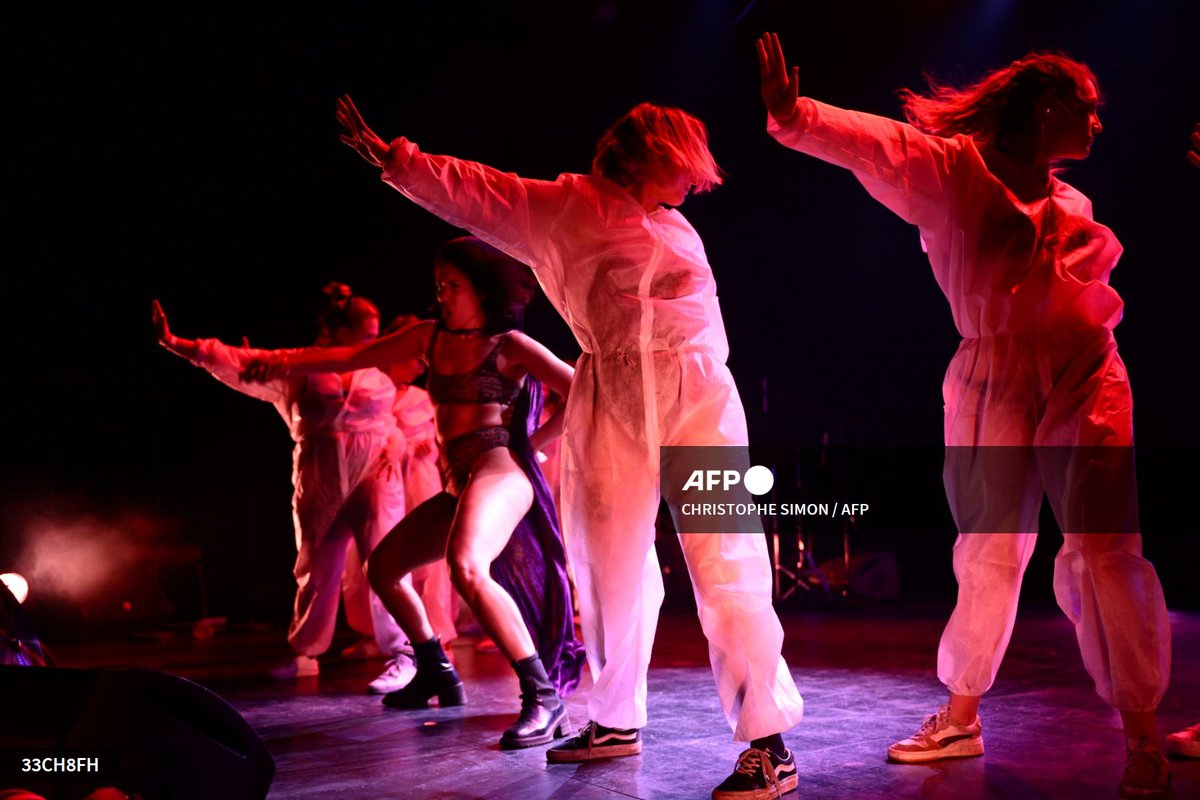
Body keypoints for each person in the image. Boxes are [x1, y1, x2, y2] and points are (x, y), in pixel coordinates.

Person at [334, 95, 804, 800]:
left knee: (724, 559)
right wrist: (401, 163)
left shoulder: (678, 229)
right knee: (606, 565)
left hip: (696, 397)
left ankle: (769, 744)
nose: (696, 182)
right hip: (610, 397)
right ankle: (614, 722)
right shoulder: (564, 208)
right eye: (686, 165)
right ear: (652, 155)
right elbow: (479, 192)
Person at [758, 32, 1173, 798]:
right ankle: (961, 715)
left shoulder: (1074, 202)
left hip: (1088, 370)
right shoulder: (955, 173)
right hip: (993, 374)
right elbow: (880, 147)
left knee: (1106, 547)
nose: (1099, 125)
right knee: (989, 550)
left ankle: (1141, 735)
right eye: (1088, 110)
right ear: (1049, 108)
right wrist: (797, 114)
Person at [243, 237, 585, 749]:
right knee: (382, 568)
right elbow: (351, 354)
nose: (442, 294)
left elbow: (581, 391)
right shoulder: (430, 337)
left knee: (466, 565)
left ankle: (542, 695)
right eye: (439, 285)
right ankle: (435, 669)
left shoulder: (508, 345)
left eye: (453, 286)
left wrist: (532, 444)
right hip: (457, 484)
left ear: (483, 291)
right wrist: (281, 362)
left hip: (499, 475)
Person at [152, 287, 415, 694]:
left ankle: (403, 654)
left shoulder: (380, 371)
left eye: (376, 335)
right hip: (320, 473)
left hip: (373, 473)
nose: (373, 343)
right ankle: (306, 651)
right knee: (317, 566)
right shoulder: (301, 368)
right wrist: (177, 343)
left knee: (386, 560)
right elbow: (239, 361)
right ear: (336, 333)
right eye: (365, 335)